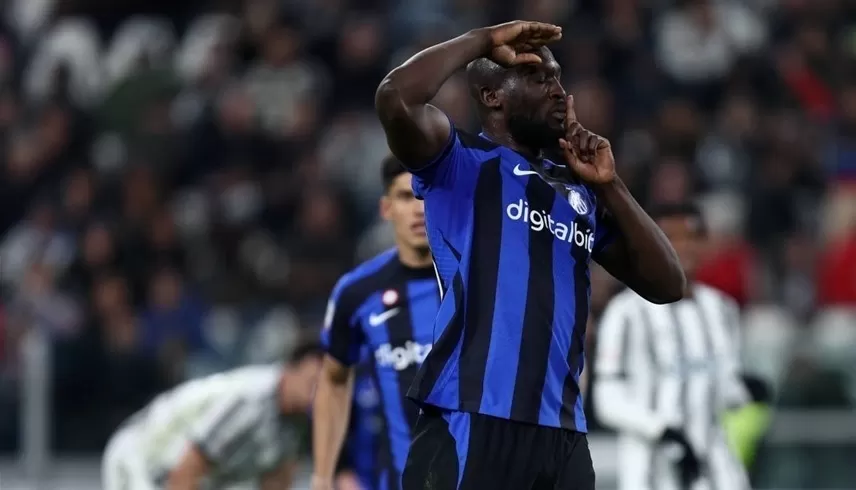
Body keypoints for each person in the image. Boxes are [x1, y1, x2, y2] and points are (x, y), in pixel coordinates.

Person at [374, 20, 685, 490]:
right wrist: (482, 41)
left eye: (558, 78)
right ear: (492, 96)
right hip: (473, 414)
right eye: (539, 78)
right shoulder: (460, 164)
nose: (559, 91)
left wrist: (611, 186)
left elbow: (668, 284)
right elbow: (395, 96)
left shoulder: (577, 193)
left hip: (562, 431)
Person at [593, 202, 751, 490]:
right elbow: (606, 399)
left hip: (717, 465)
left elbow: (723, 389)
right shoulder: (626, 312)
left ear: (706, 244)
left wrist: (744, 388)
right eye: (670, 237)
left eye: (692, 237)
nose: (683, 246)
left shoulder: (722, 310)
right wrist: (662, 430)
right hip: (651, 469)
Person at [311, 157, 442, 490]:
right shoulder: (357, 292)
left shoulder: (479, 281)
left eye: (425, 195)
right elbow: (334, 380)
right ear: (386, 208)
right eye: (406, 197)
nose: (418, 209)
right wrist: (323, 477)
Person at [101, 343, 323, 490]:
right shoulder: (251, 400)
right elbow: (187, 470)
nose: (316, 393)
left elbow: (276, 481)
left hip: (175, 473)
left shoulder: (298, 421)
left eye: (323, 387)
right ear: (289, 369)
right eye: (311, 382)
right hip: (139, 456)